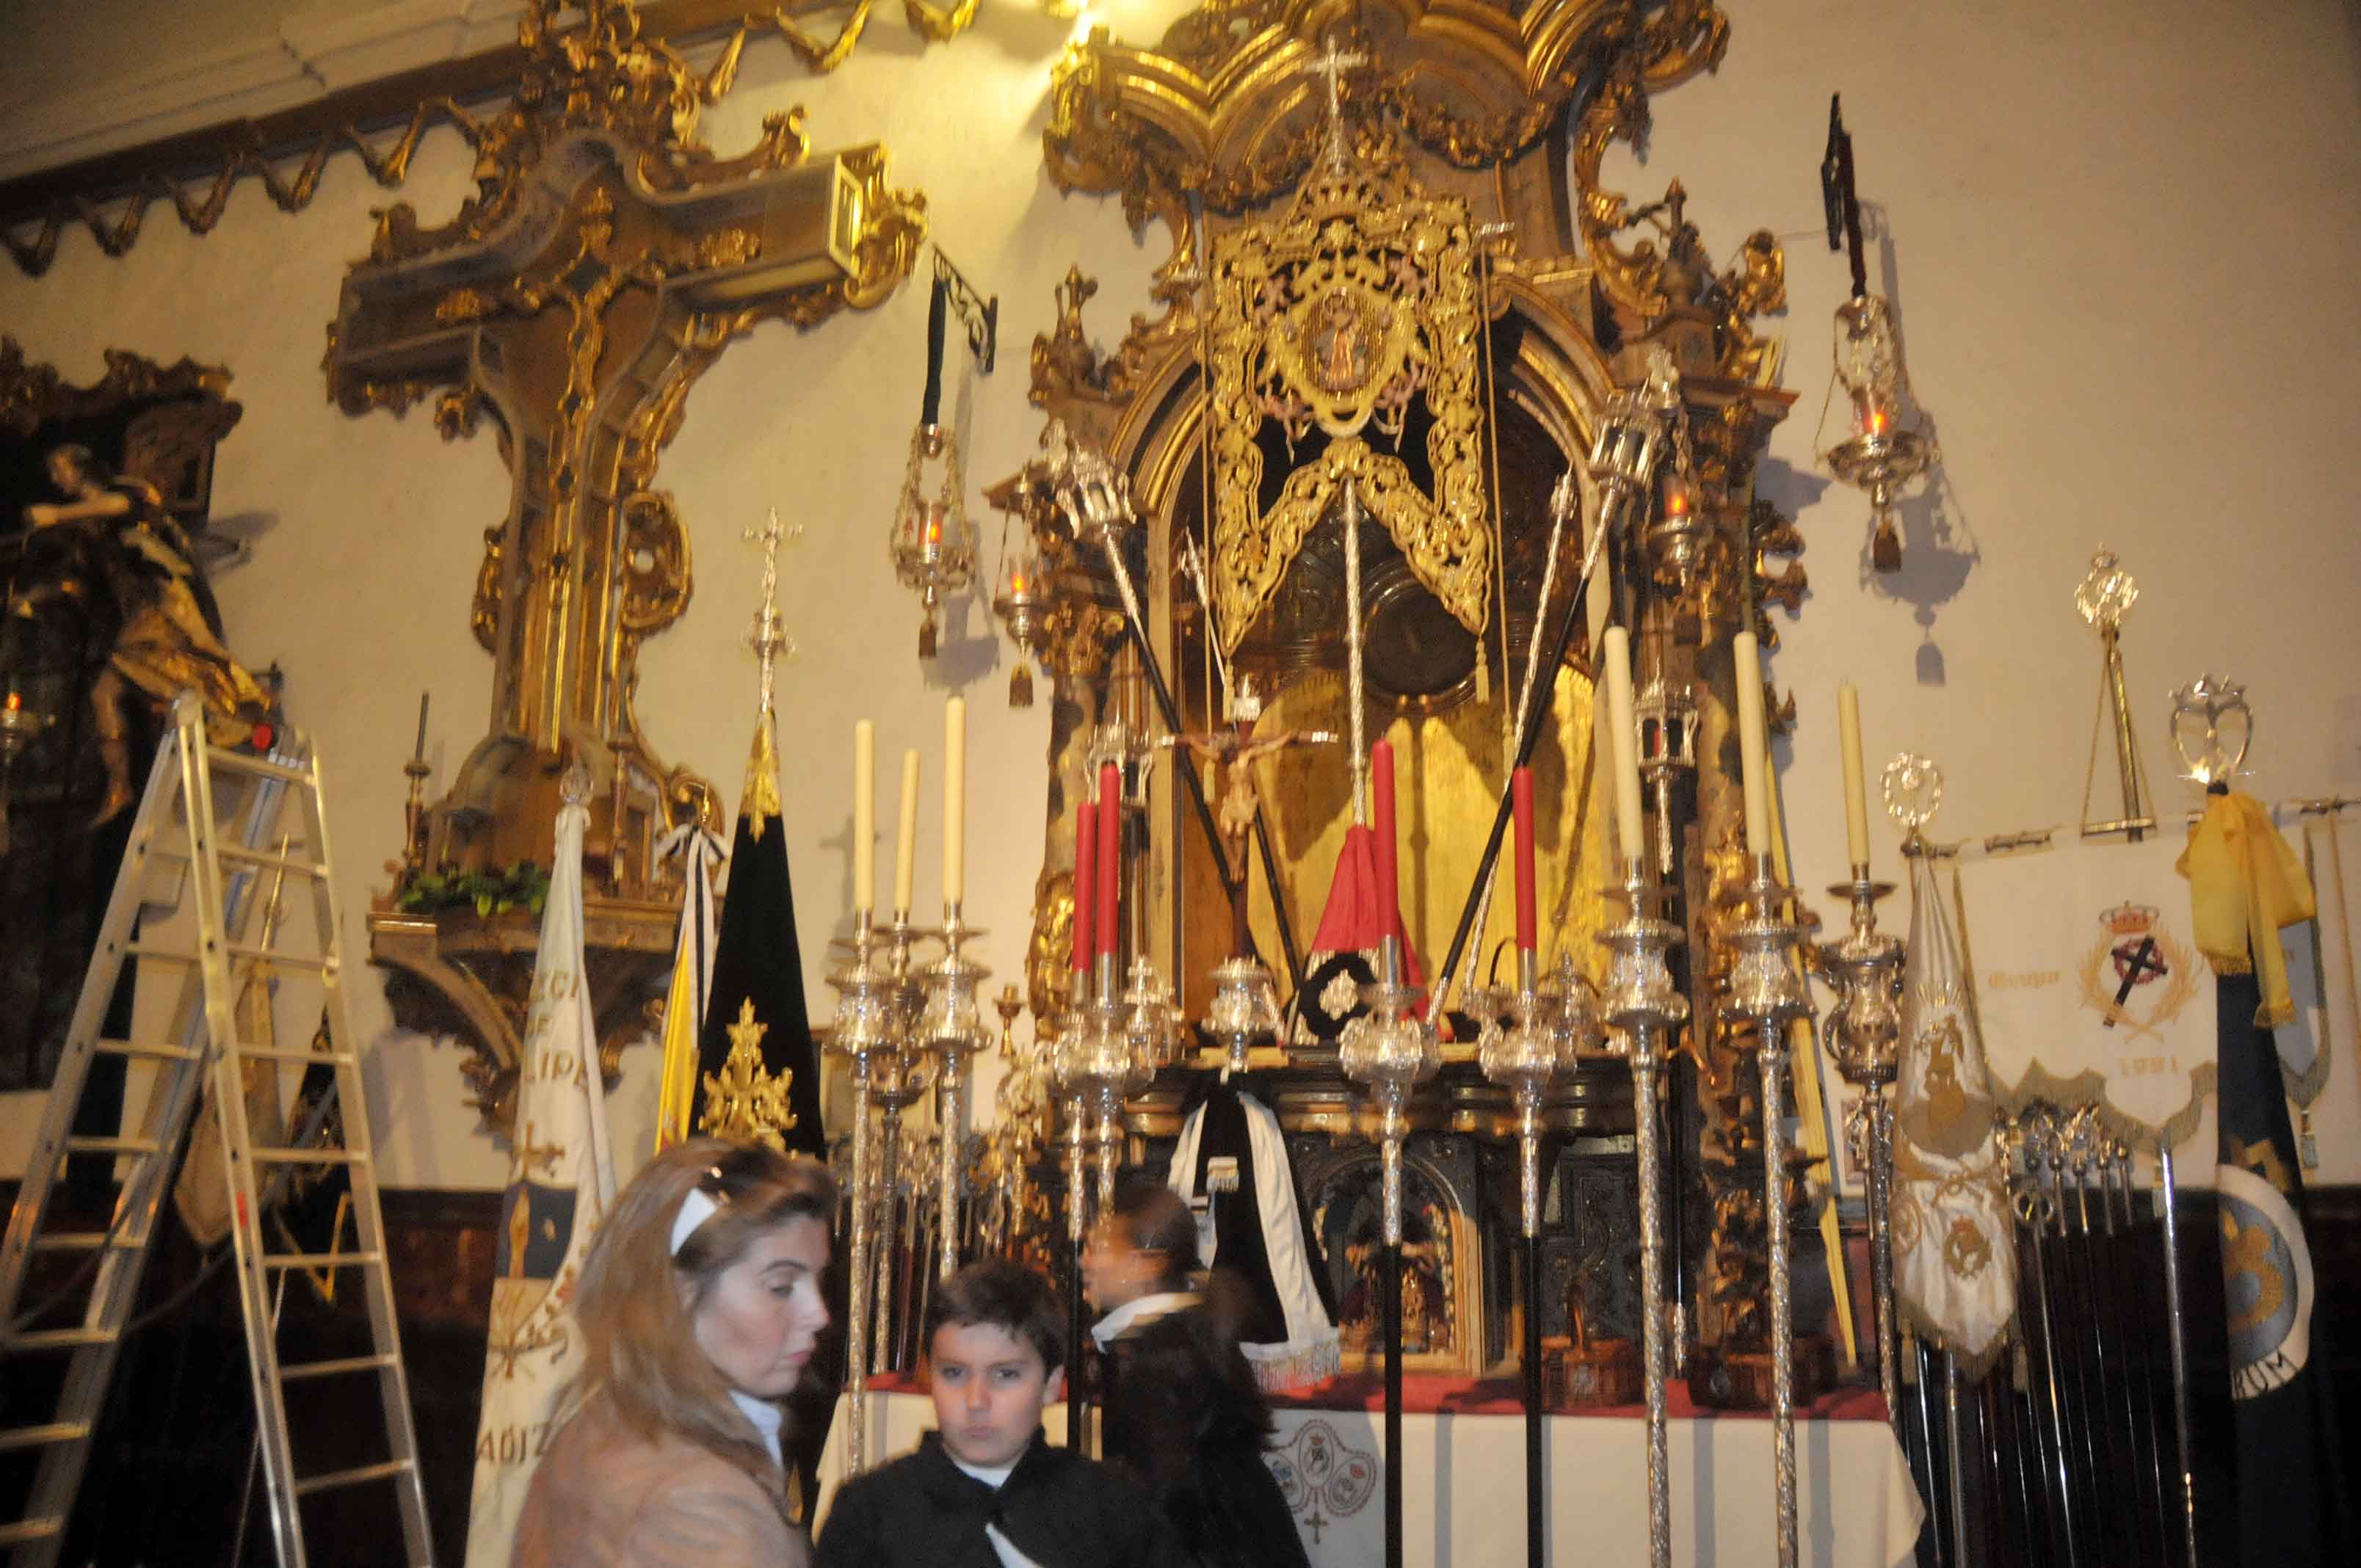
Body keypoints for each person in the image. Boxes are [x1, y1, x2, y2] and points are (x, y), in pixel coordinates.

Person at [512, 1139, 834, 1567]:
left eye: (817, 1280)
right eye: (781, 1287)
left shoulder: (600, 1421)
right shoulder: (704, 1508)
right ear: (678, 1295)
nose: (819, 1314)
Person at [816, 1257, 1189, 1568]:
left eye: (1005, 1374)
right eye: (954, 1373)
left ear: (1049, 1384)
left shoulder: (1112, 1507)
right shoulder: (870, 1512)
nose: (976, 1400)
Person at [15, 443, 266, 822]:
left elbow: (119, 507)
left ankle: (240, 720)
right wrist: (33, 597)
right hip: (135, 611)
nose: (55, 479)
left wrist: (57, 515)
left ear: (81, 467)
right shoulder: (88, 531)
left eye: (58, 468)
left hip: (160, 601)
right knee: (105, 695)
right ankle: (120, 786)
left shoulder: (125, 492)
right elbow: (80, 584)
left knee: (167, 672)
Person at [1084, 1183, 1311, 1568]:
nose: (1085, 1262)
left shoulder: (1164, 1356)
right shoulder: (1179, 1334)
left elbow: (1168, 1507)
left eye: (1101, 1248)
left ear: (1147, 1263)